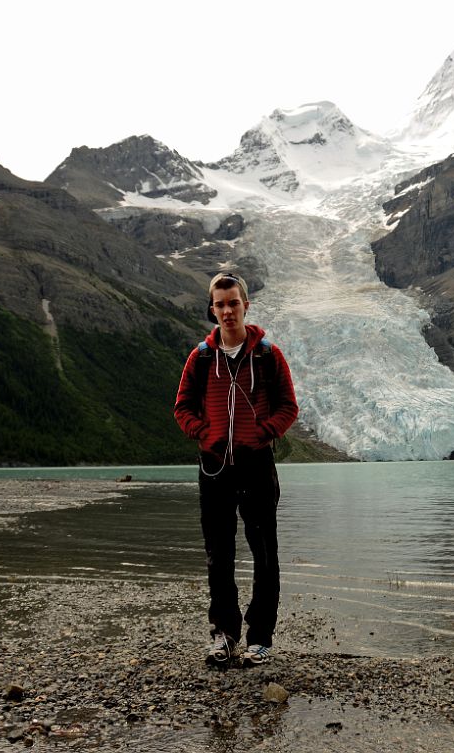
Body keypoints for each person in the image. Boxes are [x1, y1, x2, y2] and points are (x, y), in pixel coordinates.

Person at [174, 272, 298, 667]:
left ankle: (260, 638)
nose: (227, 310)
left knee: (265, 554)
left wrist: (262, 434)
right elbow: (183, 407)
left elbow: (288, 407)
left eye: (233, 303)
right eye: (220, 304)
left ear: (246, 305)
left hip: (257, 464)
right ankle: (224, 636)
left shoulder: (267, 354)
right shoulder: (201, 357)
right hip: (214, 468)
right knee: (219, 555)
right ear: (212, 309)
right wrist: (204, 434)